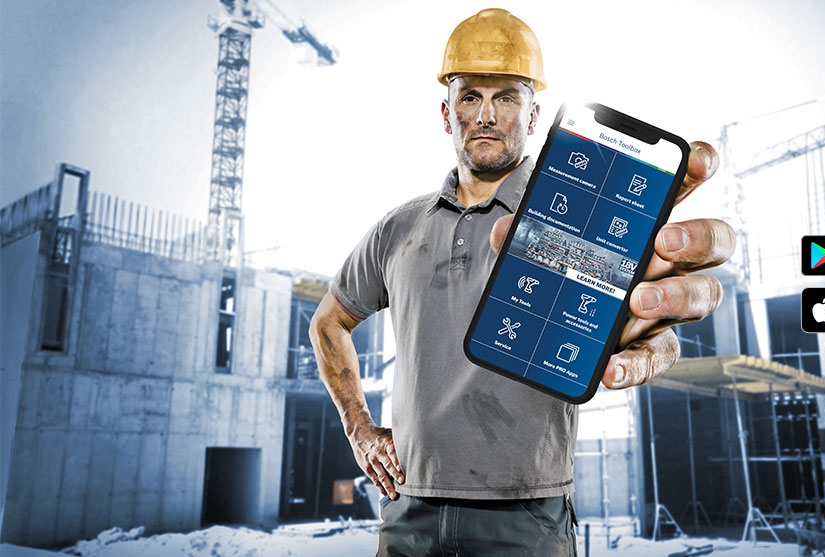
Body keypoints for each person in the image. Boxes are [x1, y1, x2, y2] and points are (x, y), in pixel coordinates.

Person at [309, 8, 735, 556]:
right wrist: (360, 430)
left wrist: (647, 334)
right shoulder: (398, 229)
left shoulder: (575, 218)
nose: (486, 115)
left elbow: (639, 320)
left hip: (527, 519)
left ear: (534, 116)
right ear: (446, 113)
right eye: (470, 97)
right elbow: (329, 321)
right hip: (408, 514)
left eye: (507, 97)